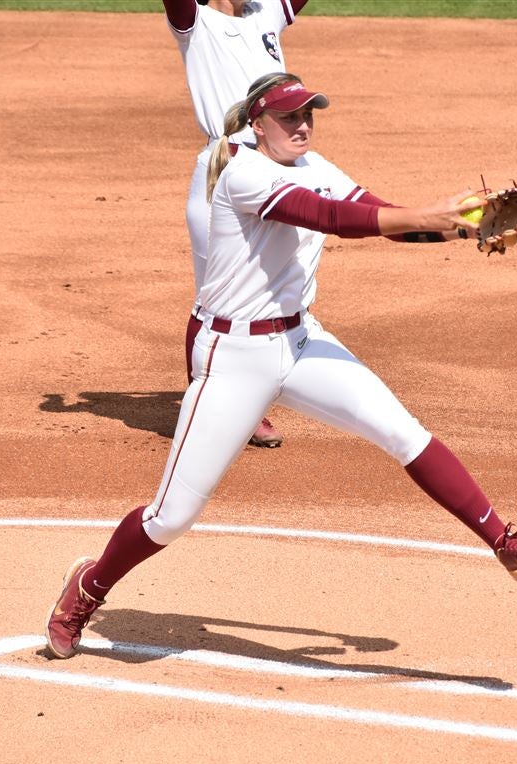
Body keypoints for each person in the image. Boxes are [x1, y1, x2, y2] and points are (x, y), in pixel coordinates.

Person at [46, 73, 517, 660]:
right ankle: (86, 589)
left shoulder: (316, 166)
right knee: (171, 517)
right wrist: (434, 211)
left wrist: (455, 226)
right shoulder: (243, 173)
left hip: (300, 343)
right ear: (256, 124)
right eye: (290, 117)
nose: (303, 125)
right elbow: (330, 220)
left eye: (309, 114)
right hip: (232, 358)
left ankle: (504, 543)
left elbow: (380, 216)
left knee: (402, 433)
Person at [164, 0, 309, 448]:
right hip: (225, 167)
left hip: (280, 166)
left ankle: (247, 397)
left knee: (279, 283)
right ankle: (208, 405)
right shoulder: (195, 22)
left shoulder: (264, 14)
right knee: (215, 297)